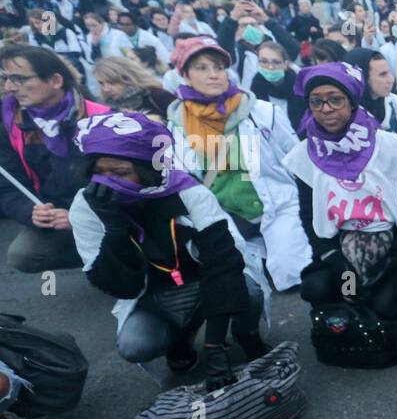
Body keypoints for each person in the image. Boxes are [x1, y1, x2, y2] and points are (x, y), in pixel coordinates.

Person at [69, 111, 270, 383]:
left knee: (248, 290)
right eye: (99, 171)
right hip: (152, 294)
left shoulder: (188, 192)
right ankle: (179, 341)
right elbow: (119, 287)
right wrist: (115, 230)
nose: (107, 181)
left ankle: (245, 335)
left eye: (120, 173)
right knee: (135, 345)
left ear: (147, 170)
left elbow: (224, 263)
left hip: (204, 278)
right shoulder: (86, 206)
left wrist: (215, 347)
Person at [285, 62, 397, 328]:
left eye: (335, 99)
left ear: (352, 101)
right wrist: (335, 260)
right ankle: (354, 297)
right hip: (341, 249)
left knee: (386, 307)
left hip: (391, 247)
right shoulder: (304, 155)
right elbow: (308, 214)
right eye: (316, 102)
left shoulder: (390, 147)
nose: (326, 109)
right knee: (332, 291)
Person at [164, 36, 310, 291]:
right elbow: (180, 182)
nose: (214, 75)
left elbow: (297, 157)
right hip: (222, 212)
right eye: (202, 68)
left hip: (275, 204)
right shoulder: (176, 127)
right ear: (185, 75)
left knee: (293, 274)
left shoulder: (261, 112)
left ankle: (275, 247)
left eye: (219, 67)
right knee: (242, 284)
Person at [0, 45, 110, 273]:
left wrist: (81, 217)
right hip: (58, 214)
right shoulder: (11, 123)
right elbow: (8, 186)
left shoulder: (102, 118)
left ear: (56, 81)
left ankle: (123, 257)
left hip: (107, 213)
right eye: (6, 78)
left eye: (18, 79)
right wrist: (30, 210)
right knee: (24, 255)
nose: (9, 88)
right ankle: (98, 260)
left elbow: (126, 184)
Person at [341, 47, 397, 142]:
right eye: (382, 74)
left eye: (389, 72)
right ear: (362, 78)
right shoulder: (342, 110)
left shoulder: (396, 103)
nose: (391, 80)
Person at [91, 56, 175, 121]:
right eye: (101, 83)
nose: (106, 89)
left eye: (112, 82)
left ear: (127, 78)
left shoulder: (156, 96)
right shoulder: (106, 108)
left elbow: (183, 122)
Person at [248, 41, 306, 132]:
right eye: (264, 61)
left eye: (276, 62)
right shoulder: (255, 89)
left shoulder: (299, 88)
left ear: (285, 64)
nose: (270, 67)